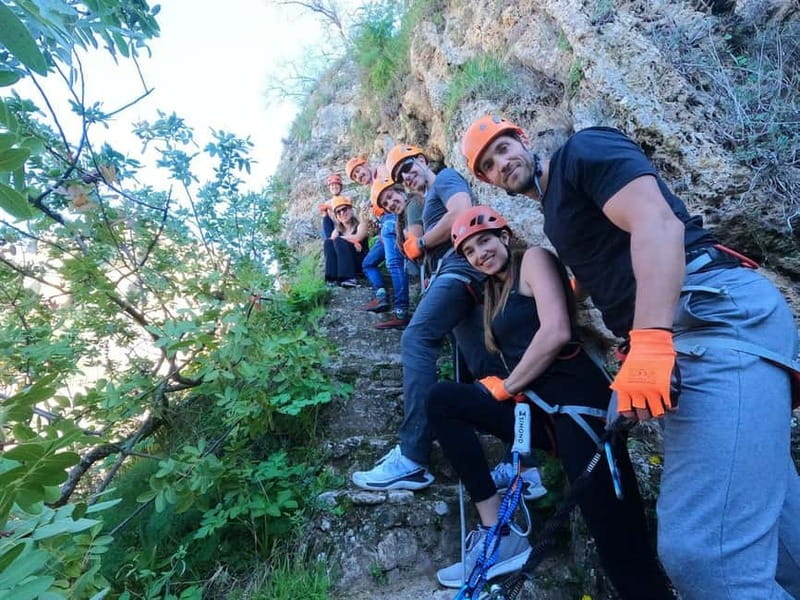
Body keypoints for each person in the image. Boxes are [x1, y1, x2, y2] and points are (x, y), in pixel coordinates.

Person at [460, 115, 800, 599]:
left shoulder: (583, 152)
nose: (502, 163)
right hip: (695, 333)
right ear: (490, 181)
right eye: (489, 165)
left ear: (524, 139)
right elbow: (602, 274)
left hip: (710, 318)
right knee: (785, 547)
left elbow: (655, 221)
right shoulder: (558, 216)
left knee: (706, 556)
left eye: (503, 148)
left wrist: (651, 340)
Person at [427, 205, 673, 596]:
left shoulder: (533, 261)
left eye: (485, 240)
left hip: (578, 410)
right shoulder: (493, 293)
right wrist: (507, 386)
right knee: (443, 399)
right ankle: (499, 532)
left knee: (615, 536)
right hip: (539, 410)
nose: (480, 253)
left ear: (504, 236)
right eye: (470, 251)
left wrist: (508, 386)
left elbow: (557, 330)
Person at [351, 144, 502, 490]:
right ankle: (523, 463)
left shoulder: (445, 179)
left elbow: (462, 211)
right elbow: (417, 238)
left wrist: (421, 244)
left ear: (422, 160)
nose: (407, 175)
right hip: (460, 278)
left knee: (417, 338)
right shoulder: (420, 203)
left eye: (409, 165)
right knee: (485, 363)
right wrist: (417, 242)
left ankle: (412, 456)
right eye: (401, 173)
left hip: (459, 269)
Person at [326, 195, 368, 287]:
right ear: (336, 216)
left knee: (338, 241)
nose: (342, 213)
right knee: (328, 243)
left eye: (344, 209)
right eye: (338, 212)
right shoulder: (338, 230)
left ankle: (349, 278)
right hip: (346, 263)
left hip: (360, 262)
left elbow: (358, 237)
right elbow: (330, 243)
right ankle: (332, 278)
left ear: (351, 210)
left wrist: (342, 239)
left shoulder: (361, 225)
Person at [321, 174, 344, 286]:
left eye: (336, 185)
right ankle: (331, 278)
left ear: (340, 186)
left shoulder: (345, 199)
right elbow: (327, 222)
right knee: (325, 219)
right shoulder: (327, 202)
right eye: (332, 185)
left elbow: (345, 219)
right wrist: (325, 213)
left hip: (343, 226)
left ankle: (337, 277)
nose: (334, 187)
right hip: (333, 228)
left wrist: (331, 209)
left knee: (332, 241)